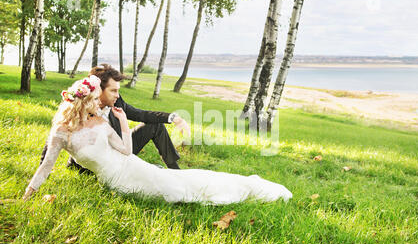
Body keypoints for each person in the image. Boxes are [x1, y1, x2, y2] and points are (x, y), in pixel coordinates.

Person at [23, 75, 292, 204]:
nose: (111, 97)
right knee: (168, 190)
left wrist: (127, 125)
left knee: (175, 189)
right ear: (88, 99)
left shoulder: (104, 120)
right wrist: (29, 193)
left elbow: (128, 148)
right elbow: (47, 162)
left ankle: (178, 172)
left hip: (127, 163)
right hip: (102, 174)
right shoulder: (62, 131)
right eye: (107, 93)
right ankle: (173, 175)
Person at [40, 64, 188, 172]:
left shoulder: (116, 101)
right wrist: (43, 166)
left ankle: (175, 171)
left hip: (119, 150)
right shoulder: (81, 108)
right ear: (98, 90)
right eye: (113, 91)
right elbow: (57, 133)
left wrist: (174, 118)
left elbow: (141, 114)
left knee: (155, 126)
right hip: (91, 165)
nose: (117, 95)